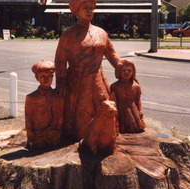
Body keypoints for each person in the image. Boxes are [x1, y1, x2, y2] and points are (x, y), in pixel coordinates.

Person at [54, 0, 122, 142]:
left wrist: (122, 67)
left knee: (103, 110)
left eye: (91, 8)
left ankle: (103, 138)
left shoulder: (101, 33)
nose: (89, 11)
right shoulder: (68, 34)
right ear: (77, 10)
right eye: (85, 8)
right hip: (77, 82)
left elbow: (111, 55)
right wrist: (60, 82)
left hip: (98, 81)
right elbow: (60, 60)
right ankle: (81, 139)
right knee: (80, 116)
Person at [25, 60, 64, 150]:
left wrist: (58, 130)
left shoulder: (57, 96)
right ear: (36, 77)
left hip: (54, 135)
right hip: (38, 136)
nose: (46, 79)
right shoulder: (32, 98)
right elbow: (28, 118)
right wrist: (30, 135)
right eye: (43, 76)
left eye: (49, 76)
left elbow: (60, 115)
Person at [110, 60, 146, 133]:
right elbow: (112, 100)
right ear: (119, 72)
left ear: (133, 73)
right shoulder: (114, 86)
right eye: (124, 70)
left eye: (129, 71)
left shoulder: (136, 86)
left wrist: (140, 110)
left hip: (133, 109)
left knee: (136, 125)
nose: (126, 72)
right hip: (120, 109)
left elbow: (138, 99)